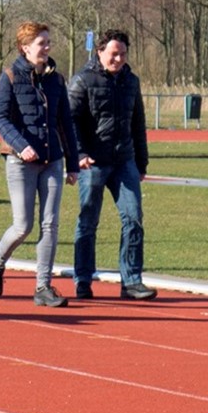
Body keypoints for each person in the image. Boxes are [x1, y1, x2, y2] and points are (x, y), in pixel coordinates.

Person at [0, 22, 80, 308]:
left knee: (50, 224)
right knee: (22, 226)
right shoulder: (11, 77)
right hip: (20, 162)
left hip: (52, 161)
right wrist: (21, 145)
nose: (47, 47)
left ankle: (43, 287)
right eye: (41, 43)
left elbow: (66, 123)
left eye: (49, 42)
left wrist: (73, 163)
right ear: (25, 47)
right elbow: (0, 119)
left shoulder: (57, 80)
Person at [69, 29, 157, 300]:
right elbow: (70, 122)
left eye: (122, 54)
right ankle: (83, 279)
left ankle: (131, 281)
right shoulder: (83, 80)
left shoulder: (131, 81)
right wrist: (79, 154)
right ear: (100, 52)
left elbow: (138, 123)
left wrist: (141, 162)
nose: (118, 59)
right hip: (93, 163)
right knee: (88, 221)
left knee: (133, 218)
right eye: (113, 54)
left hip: (124, 161)